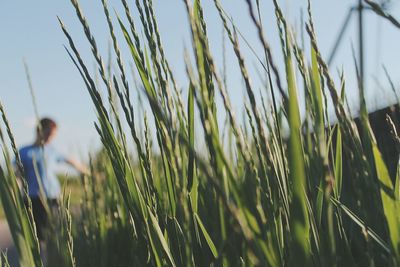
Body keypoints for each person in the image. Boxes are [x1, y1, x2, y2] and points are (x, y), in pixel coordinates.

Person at [17, 117, 87, 240]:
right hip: (33, 198)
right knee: (37, 234)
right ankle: (42, 257)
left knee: (55, 231)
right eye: (48, 133)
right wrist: (16, 194)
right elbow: (17, 174)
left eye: (53, 135)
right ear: (39, 130)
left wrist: (86, 171)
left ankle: (52, 257)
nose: (51, 138)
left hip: (53, 197)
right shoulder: (24, 151)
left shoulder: (51, 150)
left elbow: (69, 160)